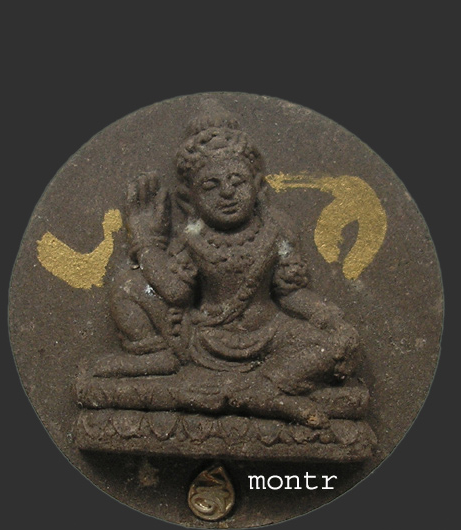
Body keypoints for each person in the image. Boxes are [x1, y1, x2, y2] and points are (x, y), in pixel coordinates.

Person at [98, 110, 360, 427]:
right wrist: (146, 243)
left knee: (336, 346)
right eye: (211, 185)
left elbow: (289, 292)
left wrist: (325, 316)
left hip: (272, 334)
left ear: (258, 187)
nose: (226, 192)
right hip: (205, 339)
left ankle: (258, 388)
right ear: (188, 199)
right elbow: (177, 294)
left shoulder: (276, 228)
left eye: (237, 181)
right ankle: (164, 360)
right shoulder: (193, 236)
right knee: (128, 286)